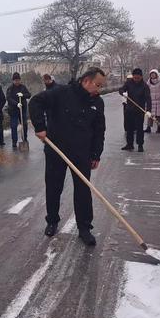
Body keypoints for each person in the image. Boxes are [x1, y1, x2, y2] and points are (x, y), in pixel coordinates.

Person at [29, 67, 106, 244]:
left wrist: (96, 154)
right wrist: (40, 127)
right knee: (54, 186)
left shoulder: (97, 102)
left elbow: (99, 130)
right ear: (86, 80)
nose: (99, 89)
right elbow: (35, 102)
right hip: (57, 149)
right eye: (97, 85)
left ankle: (84, 227)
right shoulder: (61, 93)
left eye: (101, 86)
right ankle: (52, 221)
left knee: (83, 189)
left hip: (82, 152)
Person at [119, 68, 152, 152]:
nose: (136, 79)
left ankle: (140, 145)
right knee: (129, 128)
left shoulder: (145, 86)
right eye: (134, 77)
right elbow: (121, 89)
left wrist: (148, 110)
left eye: (138, 78)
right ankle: (129, 144)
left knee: (139, 128)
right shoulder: (129, 83)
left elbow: (148, 99)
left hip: (139, 111)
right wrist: (123, 92)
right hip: (129, 109)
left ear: (141, 77)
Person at [6, 72, 32, 149]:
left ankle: (25, 138)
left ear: (20, 80)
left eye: (18, 80)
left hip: (22, 110)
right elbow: (8, 98)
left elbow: (29, 95)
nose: (17, 82)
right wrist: (16, 104)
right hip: (13, 110)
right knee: (14, 126)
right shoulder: (10, 88)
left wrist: (23, 95)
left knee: (24, 125)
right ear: (13, 81)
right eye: (15, 80)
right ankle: (14, 141)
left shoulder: (23, 87)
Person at [145, 69, 160, 134]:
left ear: (156, 74)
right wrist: (146, 98)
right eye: (151, 74)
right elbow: (146, 90)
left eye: (154, 74)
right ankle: (148, 127)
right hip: (151, 101)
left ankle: (159, 128)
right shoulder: (149, 82)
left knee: (159, 116)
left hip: (159, 101)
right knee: (150, 115)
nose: (152, 75)